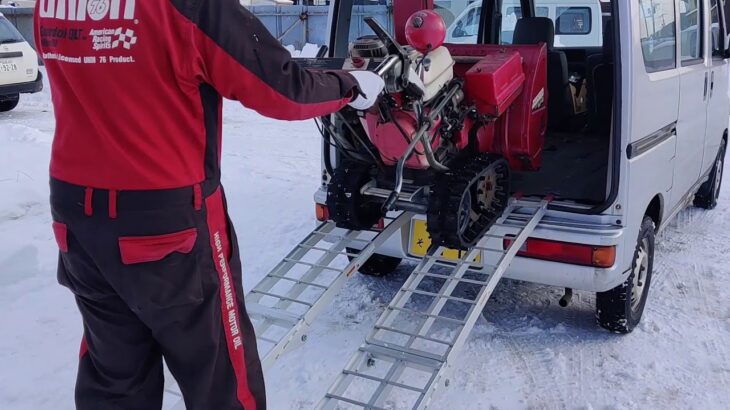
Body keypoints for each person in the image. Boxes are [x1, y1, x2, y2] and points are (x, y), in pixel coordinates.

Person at [34, 0, 383, 408]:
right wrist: (352, 86)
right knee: (219, 374)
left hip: (78, 217)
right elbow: (282, 90)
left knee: (114, 373)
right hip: (166, 219)